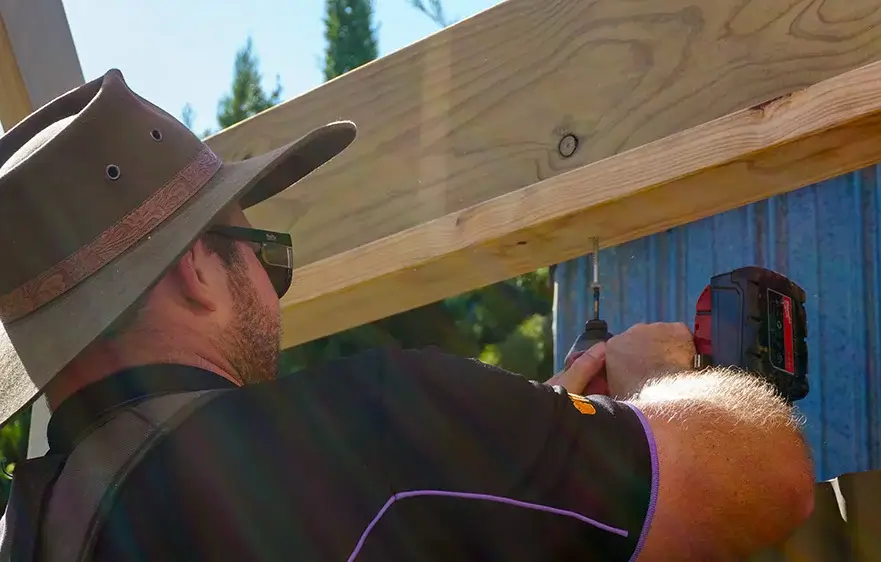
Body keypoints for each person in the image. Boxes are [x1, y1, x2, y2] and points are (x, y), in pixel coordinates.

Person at [0, 69, 814, 561]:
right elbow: (768, 481)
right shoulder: (379, 428)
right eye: (262, 251)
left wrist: (520, 445)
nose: (272, 276)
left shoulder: (27, 532)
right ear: (194, 272)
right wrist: (661, 388)